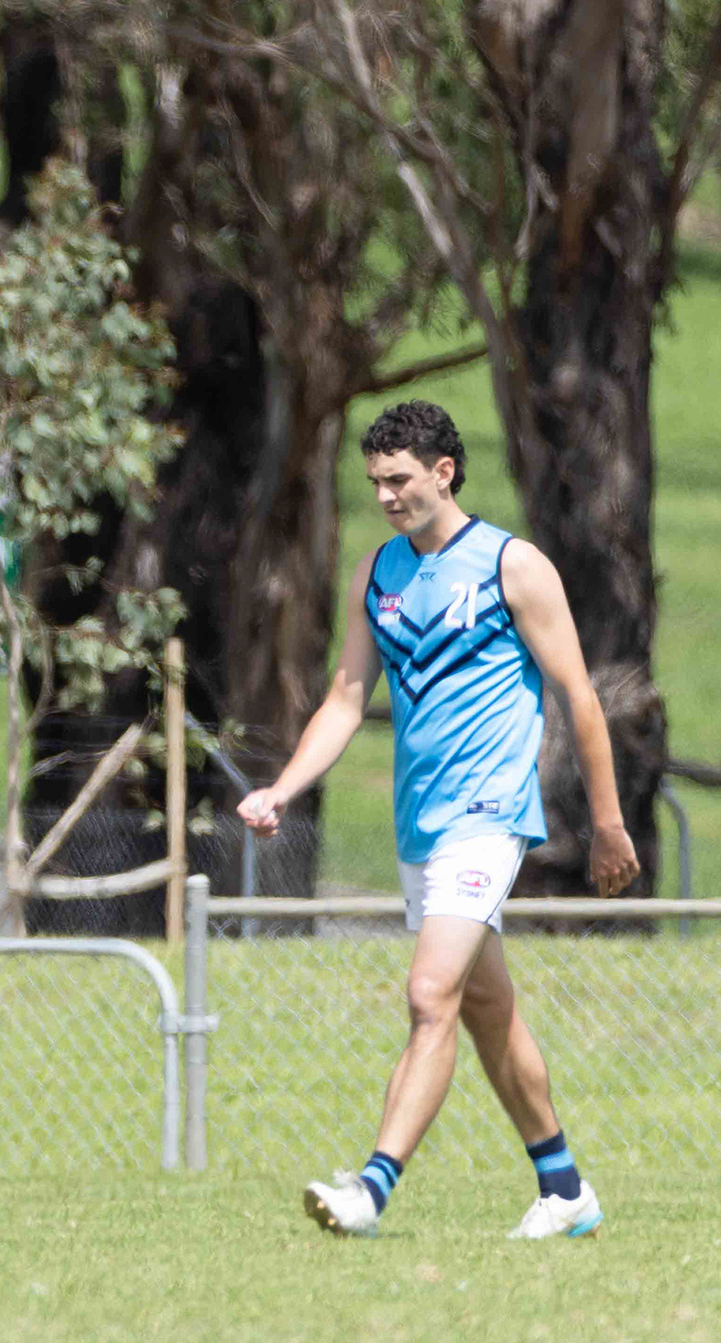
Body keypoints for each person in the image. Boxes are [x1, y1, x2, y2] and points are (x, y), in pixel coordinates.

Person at [238, 401, 631, 1241]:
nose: (385, 496)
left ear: (443, 472)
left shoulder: (512, 567)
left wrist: (607, 823)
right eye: (375, 482)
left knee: (428, 994)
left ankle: (370, 1188)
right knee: (487, 1007)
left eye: (399, 479)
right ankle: (565, 1188)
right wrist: (283, 788)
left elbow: (581, 697)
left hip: (489, 815)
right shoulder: (376, 575)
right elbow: (346, 699)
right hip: (421, 824)